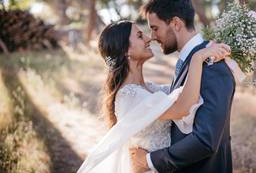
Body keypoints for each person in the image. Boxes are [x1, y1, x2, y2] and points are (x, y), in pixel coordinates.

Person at [77, 19, 230, 173]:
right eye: (139, 36)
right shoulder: (129, 96)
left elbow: (187, 92)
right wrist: (198, 58)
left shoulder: (150, 89)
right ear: (126, 51)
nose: (148, 38)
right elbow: (182, 108)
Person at [130, 0, 235, 173]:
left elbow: (206, 140)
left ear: (176, 23)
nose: (152, 37)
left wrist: (149, 161)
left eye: (155, 28)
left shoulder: (212, 65)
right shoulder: (191, 59)